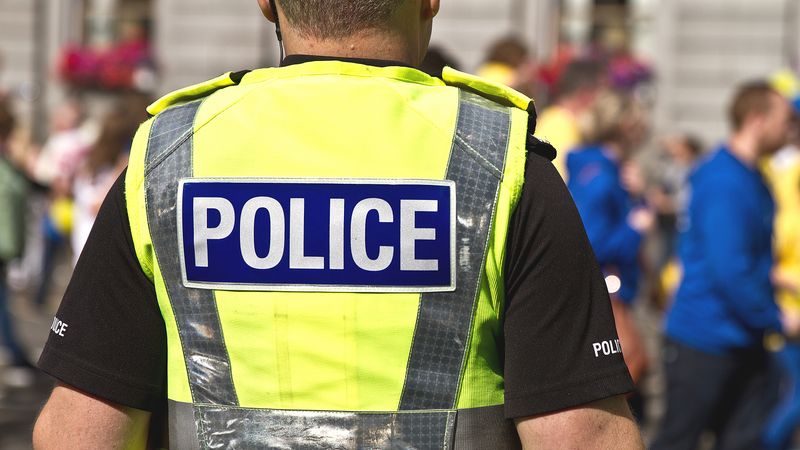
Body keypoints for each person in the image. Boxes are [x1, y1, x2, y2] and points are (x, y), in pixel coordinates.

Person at [33, 1, 643, 448]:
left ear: (267, 3)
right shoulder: (501, 163)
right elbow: (583, 438)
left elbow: (79, 434)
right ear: (430, 0)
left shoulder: (170, 157)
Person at [652, 81, 800, 450]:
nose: (792, 127)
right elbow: (730, 269)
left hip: (743, 339)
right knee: (679, 439)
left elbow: (751, 260)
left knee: (744, 440)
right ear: (757, 119)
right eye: (787, 119)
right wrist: (778, 319)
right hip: (705, 340)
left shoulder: (753, 177)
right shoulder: (724, 181)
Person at [566, 90, 653, 417]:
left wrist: (640, 198)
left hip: (615, 292)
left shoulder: (604, 170)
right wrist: (636, 226)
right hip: (609, 293)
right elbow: (590, 242)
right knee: (624, 381)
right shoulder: (601, 175)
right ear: (627, 126)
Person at [535, 59, 605, 179]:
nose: (604, 99)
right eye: (601, 92)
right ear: (585, 94)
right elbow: (558, 182)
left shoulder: (552, 117)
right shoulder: (563, 127)